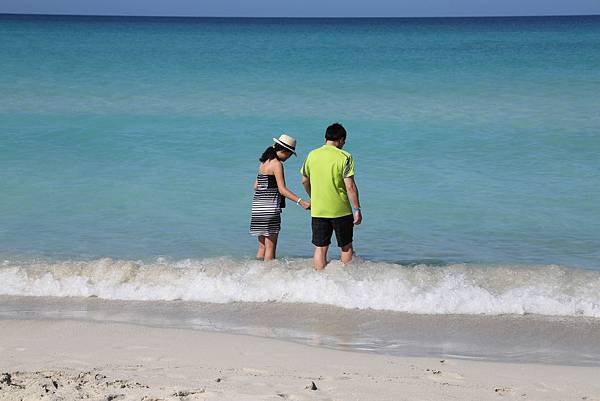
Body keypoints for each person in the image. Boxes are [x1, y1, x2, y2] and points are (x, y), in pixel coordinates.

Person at [300, 123, 362, 270]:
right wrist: (357, 209)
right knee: (346, 247)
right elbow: (350, 186)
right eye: (344, 142)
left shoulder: (312, 154)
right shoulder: (345, 157)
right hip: (341, 210)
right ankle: (346, 280)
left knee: (320, 247)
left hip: (319, 210)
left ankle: (320, 282)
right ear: (340, 140)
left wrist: (313, 197)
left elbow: (304, 180)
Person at [250, 134, 310, 261]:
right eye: (289, 155)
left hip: (257, 208)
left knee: (262, 247)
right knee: (271, 247)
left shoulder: (264, 163)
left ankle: (256, 275)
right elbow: (282, 190)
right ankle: (269, 276)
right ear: (284, 151)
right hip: (270, 208)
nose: (288, 158)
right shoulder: (277, 164)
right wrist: (301, 201)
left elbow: (255, 186)